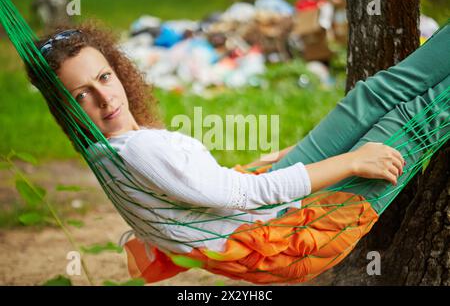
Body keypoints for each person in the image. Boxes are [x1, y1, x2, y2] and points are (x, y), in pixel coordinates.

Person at [26, 22, 449, 284]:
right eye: (82, 95)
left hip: (269, 203)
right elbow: (241, 197)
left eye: (105, 76)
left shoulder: (106, 151)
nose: (105, 98)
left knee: (372, 95)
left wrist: (278, 158)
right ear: (67, 107)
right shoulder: (139, 151)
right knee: (417, 115)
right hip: (289, 233)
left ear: (117, 69)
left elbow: (207, 195)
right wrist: (352, 161)